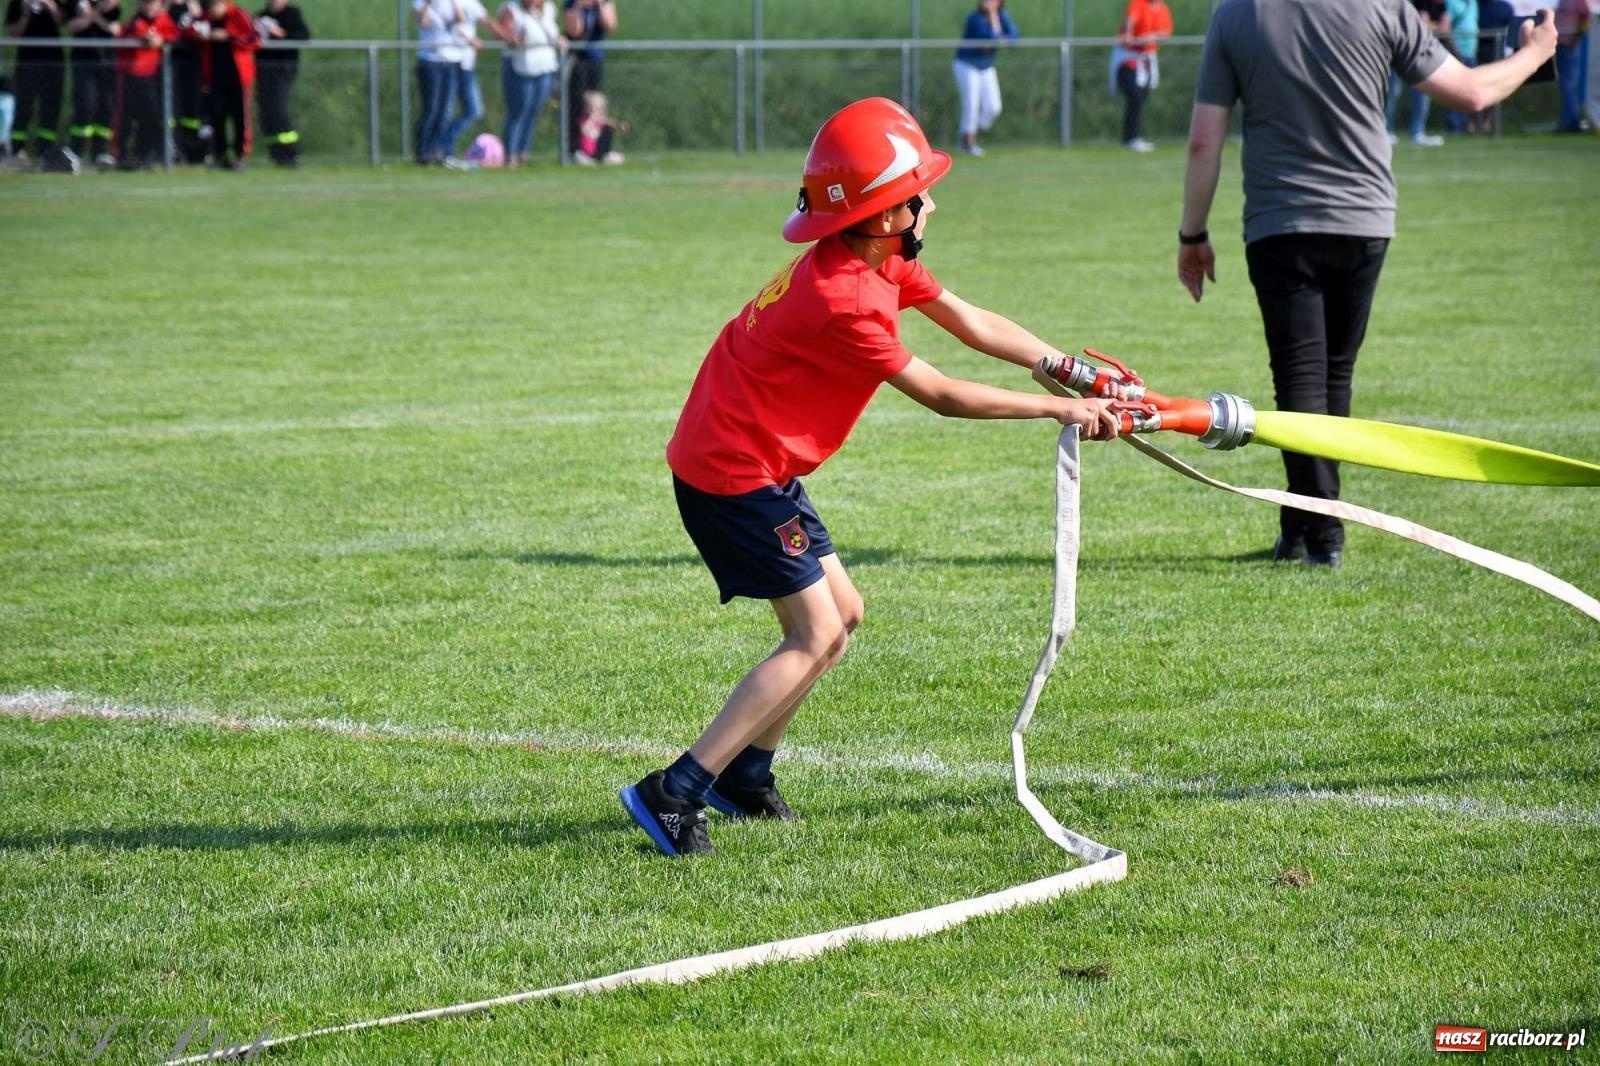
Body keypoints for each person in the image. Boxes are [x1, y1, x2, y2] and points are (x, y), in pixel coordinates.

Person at [619, 97, 1124, 857]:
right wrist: (1058, 412)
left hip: (761, 461)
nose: (932, 201)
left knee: (841, 617)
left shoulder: (875, 259)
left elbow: (969, 320)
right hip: (732, 473)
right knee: (815, 633)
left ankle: (745, 775)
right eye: (921, 192)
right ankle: (677, 789)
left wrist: (1068, 370)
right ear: (890, 215)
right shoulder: (845, 298)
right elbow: (942, 394)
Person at [1177, 0, 1559, 569]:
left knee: (1302, 381)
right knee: (1332, 377)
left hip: (1281, 223)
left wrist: (1193, 234)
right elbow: (1473, 92)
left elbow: (1205, 141)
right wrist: (1534, 53)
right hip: (1364, 220)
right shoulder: (1385, 7)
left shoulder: (1236, 13)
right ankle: (1301, 529)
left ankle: (1322, 534)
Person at [437, 0, 507, 166]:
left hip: (467, 64)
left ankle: (443, 144)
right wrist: (469, 38)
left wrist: (506, 35)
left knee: (474, 110)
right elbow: (446, 27)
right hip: (448, 61)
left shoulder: (471, 3)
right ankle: (444, 151)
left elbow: (487, 21)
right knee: (446, 110)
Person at [498, 0, 562, 167]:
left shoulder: (548, 9)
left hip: (545, 65)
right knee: (518, 111)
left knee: (533, 111)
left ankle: (523, 152)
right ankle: (510, 154)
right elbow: (504, 34)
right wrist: (515, 39)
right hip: (521, 65)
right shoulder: (511, 10)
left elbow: (553, 33)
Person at [113, 0, 176, 167]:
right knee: (127, 117)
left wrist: (161, 40)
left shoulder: (163, 20)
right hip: (131, 77)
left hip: (153, 78)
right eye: (145, 3)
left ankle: (144, 154)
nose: (149, 6)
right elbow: (132, 36)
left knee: (151, 117)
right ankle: (122, 155)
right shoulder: (134, 22)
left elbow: (174, 35)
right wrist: (147, 39)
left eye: (152, 3)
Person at [195, 0, 257, 169]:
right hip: (215, 77)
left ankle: (240, 156)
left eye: (213, 7)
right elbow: (187, 31)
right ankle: (220, 156)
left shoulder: (238, 15)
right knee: (217, 116)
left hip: (238, 77)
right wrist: (198, 35)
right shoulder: (205, 18)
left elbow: (254, 38)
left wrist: (228, 35)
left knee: (240, 118)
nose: (211, 12)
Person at [951, 0, 1017, 157]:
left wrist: (1002, 32)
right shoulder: (975, 18)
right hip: (967, 65)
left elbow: (1014, 35)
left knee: (994, 107)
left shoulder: (1002, 15)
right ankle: (968, 144)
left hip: (986, 66)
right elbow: (991, 38)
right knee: (972, 105)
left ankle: (968, 135)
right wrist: (993, 16)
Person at [5, 0, 67, 166]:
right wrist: (26, 13)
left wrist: (49, 5)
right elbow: (14, 33)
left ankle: (45, 152)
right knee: (24, 106)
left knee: (50, 107)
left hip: (53, 62)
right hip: (27, 61)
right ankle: (17, 151)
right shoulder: (17, 3)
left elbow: (64, 24)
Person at [1114, 0, 1173, 151]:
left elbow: (1166, 32)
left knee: (1142, 96)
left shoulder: (1162, 8)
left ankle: (1133, 136)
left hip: (1147, 57)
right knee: (1134, 95)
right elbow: (1130, 20)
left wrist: (1151, 36)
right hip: (1130, 57)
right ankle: (1131, 137)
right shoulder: (1138, 3)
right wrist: (1129, 33)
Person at [1387, 0, 1448, 145]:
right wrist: (1431, 26)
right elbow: (1420, 27)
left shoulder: (1442, 5)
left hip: (1417, 56)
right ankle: (1386, 132)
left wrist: (1429, 26)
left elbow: (1444, 28)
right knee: (1391, 93)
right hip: (1397, 53)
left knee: (1422, 95)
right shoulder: (1419, 3)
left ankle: (1417, 132)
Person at [255, 0, 308, 166]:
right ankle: (276, 153)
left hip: (283, 69)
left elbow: (303, 36)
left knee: (279, 109)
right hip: (263, 69)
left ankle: (291, 153)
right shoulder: (261, 17)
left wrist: (282, 34)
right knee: (266, 112)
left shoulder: (292, 14)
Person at [66, 0, 119, 166]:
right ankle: (76, 152)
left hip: (107, 62)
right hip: (83, 62)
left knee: (106, 106)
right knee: (85, 105)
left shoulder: (111, 7)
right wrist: (92, 14)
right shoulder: (75, 4)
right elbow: (72, 26)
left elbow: (115, 29)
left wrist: (92, 13)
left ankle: (101, 152)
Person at [562, 0, 613, 160]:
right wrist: (578, 7)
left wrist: (600, 6)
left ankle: (598, 149)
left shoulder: (604, 3)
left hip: (595, 59)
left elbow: (609, 25)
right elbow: (575, 31)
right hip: (578, 61)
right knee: (577, 105)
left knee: (595, 106)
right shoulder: (571, 4)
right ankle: (575, 148)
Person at [167, 1, 207, 162]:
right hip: (171, 63)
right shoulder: (168, 7)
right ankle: (175, 150)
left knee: (193, 109)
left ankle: (196, 151)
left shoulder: (198, 6)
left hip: (194, 64)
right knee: (173, 109)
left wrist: (195, 10)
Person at [413, 0, 453, 164]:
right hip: (429, 62)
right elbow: (423, 23)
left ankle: (437, 150)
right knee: (431, 109)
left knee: (444, 111)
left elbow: (460, 19)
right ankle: (423, 152)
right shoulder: (420, 3)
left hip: (447, 61)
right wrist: (428, 4)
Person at [1475, 0, 1516, 131]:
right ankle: (1474, 122)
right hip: (1477, 55)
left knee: (1494, 91)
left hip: (1498, 56)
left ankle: (1488, 122)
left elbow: (1513, 33)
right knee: (1476, 90)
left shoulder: (1506, 8)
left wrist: (1512, 54)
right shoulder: (1476, 5)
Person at [1554, 0, 1591, 130]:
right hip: (1560, 45)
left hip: (1570, 45)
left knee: (1568, 84)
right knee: (1565, 85)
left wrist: (1577, 36)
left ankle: (1572, 121)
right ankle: (1567, 120)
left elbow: (1586, 17)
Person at [1443, 0, 1478, 131]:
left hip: (1471, 53)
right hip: (1456, 53)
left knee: (1470, 90)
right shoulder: (1451, 3)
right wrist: (1455, 51)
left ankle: (1467, 125)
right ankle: (1454, 126)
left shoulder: (1473, 3)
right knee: (1454, 90)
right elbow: (1447, 27)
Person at [571, 87, 623, 163]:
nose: (594, 110)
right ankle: (589, 160)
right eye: (591, 107)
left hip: (597, 150)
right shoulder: (584, 119)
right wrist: (592, 119)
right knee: (578, 156)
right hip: (585, 152)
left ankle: (604, 156)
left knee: (608, 129)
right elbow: (584, 130)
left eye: (598, 108)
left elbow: (610, 122)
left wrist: (619, 126)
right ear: (586, 108)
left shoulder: (601, 120)